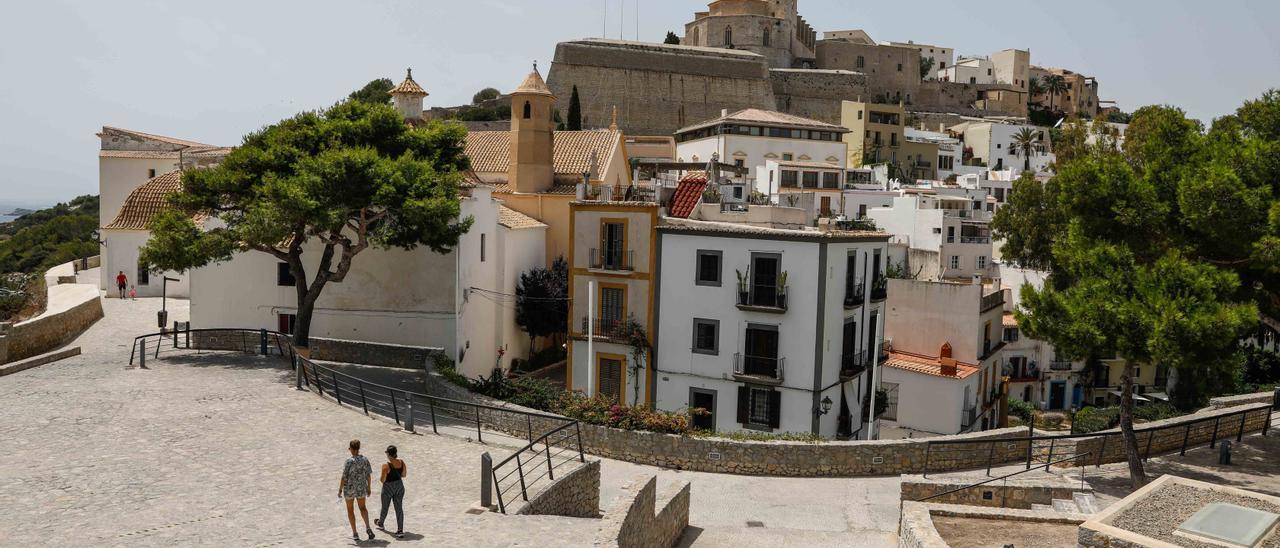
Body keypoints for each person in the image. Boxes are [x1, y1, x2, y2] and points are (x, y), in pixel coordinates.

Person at [338, 439, 375, 541]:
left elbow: (344, 477)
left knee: (350, 510)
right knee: (363, 508)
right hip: (361, 487)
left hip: (349, 489)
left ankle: (355, 533)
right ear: (358, 449)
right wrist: (369, 487)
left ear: (351, 449)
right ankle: (368, 527)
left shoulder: (349, 461)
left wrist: (340, 490)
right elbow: (368, 475)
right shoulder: (365, 459)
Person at [374, 445, 407, 538]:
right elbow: (404, 475)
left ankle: (381, 523)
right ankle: (400, 530)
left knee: (385, 507)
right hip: (399, 487)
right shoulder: (402, 462)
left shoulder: (386, 465)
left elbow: (382, 480)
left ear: (388, 454)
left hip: (388, 487)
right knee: (399, 508)